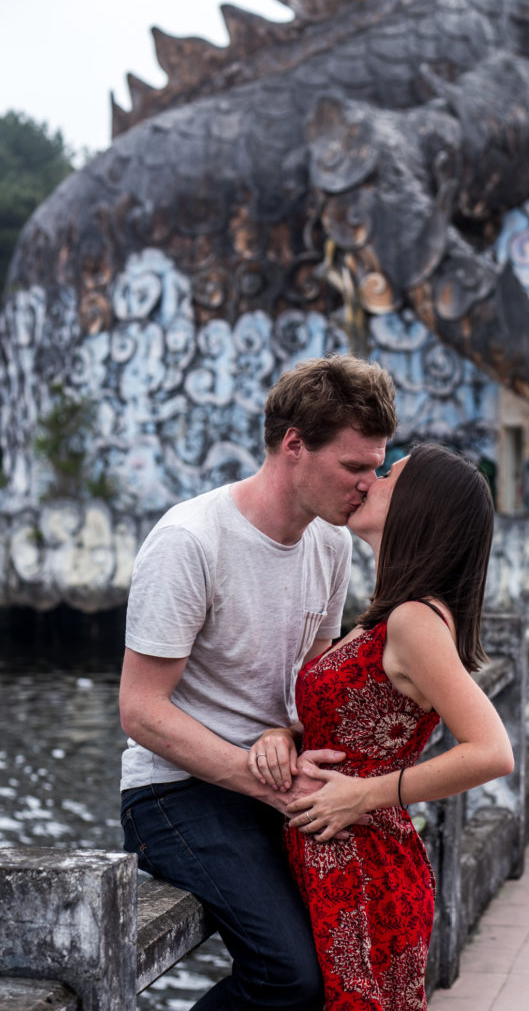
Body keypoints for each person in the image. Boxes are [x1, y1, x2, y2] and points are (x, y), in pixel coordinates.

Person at [118, 353, 398, 1011]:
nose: (368, 485)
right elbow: (140, 710)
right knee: (289, 976)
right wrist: (266, 778)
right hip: (177, 792)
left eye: (376, 467)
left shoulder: (330, 543)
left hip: (278, 775)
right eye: (353, 467)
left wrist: (282, 731)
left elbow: (316, 686)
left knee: (365, 947)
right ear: (294, 445)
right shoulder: (190, 540)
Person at [249, 443, 514, 1011]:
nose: (370, 480)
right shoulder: (388, 615)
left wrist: (364, 794)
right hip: (340, 858)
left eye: (389, 473)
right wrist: (285, 736)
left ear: (419, 505)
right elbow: (342, 726)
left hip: (364, 864)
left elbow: (492, 751)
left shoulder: (415, 620)